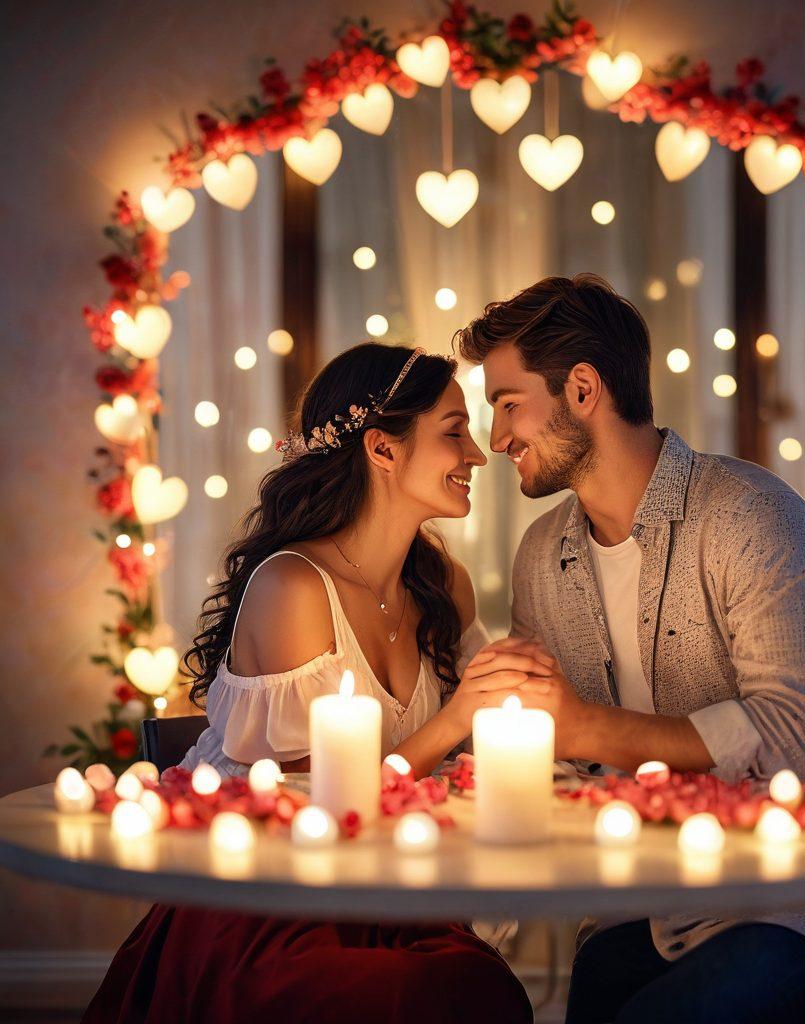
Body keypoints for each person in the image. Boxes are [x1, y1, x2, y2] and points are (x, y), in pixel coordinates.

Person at [456, 273, 805, 1024]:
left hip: (804, 899)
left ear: (582, 389)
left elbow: (793, 732)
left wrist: (585, 728)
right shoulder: (540, 556)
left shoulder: (751, 515)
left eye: (507, 405)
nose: (496, 438)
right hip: (653, 908)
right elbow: (554, 756)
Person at [82, 343, 534, 1024]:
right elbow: (318, 808)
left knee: (480, 987)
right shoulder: (292, 587)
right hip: (266, 895)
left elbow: (481, 742)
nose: (476, 454)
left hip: (389, 887)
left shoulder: (445, 587)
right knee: (416, 995)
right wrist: (453, 718)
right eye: (453, 431)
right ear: (382, 448)